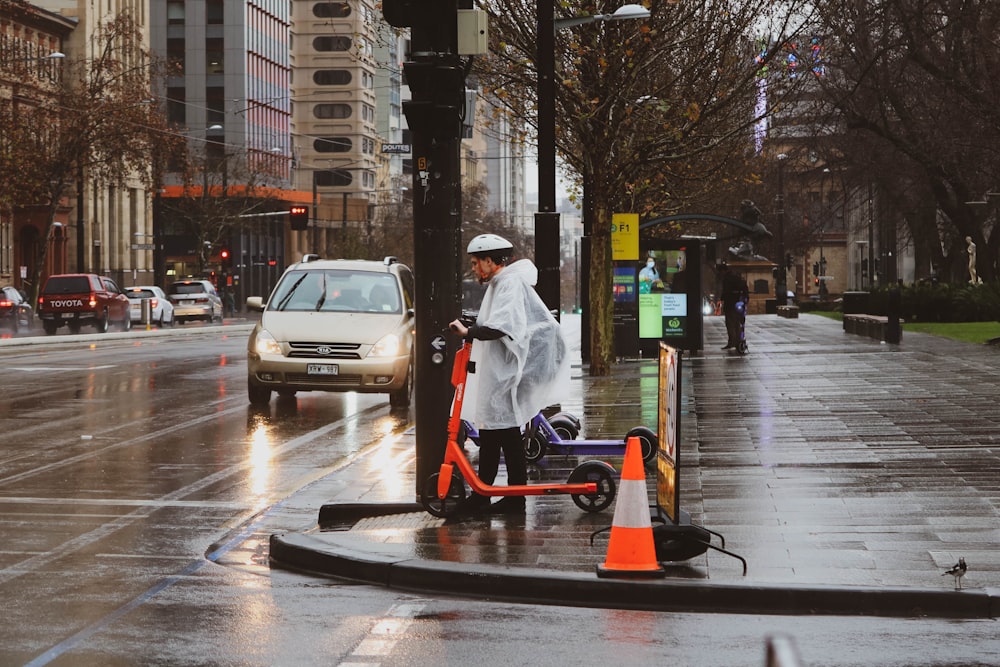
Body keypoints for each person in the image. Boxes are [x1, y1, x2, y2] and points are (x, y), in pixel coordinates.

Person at [448, 234, 568, 515]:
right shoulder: (500, 283)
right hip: (500, 371)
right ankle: (503, 495)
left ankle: (495, 496)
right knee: (499, 433)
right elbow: (497, 320)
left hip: (505, 373)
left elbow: (504, 324)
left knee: (500, 433)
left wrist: (469, 331)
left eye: (477, 263)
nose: (474, 268)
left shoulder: (509, 283)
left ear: (490, 261)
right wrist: (473, 323)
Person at [719, 262, 749, 350]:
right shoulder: (736, 277)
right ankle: (738, 341)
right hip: (739, 303)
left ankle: (732, 341)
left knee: (730, 323)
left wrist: (722, 298)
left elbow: (726, 292)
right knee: (738, 323)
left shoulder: (727, 279)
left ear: (723, 271)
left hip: (730, 304)